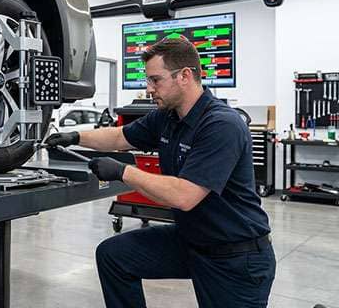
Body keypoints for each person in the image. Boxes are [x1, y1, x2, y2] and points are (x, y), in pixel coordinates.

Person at [46, 37, 275, 308]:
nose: (149, 88)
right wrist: (74, 137)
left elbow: (184, 196)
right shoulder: (168, 116)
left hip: (236, 257)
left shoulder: (221, 124)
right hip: (193, 242)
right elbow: (121, 137)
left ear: (185, 76)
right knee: (114, 255)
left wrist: (123, 171)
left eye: (156, 80)